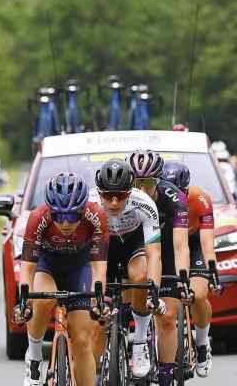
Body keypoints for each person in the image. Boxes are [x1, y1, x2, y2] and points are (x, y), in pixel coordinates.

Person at [18, 172, 108, 386]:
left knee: (83, 340)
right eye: (58, 216)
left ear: (83, 210)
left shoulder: (96, 216)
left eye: (73, 216)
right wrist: (24, 302)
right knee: (42, 299)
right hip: (47, 266)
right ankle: (34, 356)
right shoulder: (38, 217)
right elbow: (27, 269)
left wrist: (98, 300)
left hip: (80, 268)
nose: (66, 223)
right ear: (50, 210)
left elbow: (99, 268)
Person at [96, 158, 164, 379]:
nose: (114, 203)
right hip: (103, 245)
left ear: (130, 191)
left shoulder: (144, 203)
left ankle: (140, 341)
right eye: (107, 196)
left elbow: (154, 253)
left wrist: (153, 288)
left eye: (121, 197)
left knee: (140, 275)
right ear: (99, 193)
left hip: (132, 244)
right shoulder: (88, 204)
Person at [128, 149, 189, 386]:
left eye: (149, 182)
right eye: (137, 182)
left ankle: (166, 374)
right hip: (135, 249)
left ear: (159, 180)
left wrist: (182, 278)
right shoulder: (121, 198)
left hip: (165, 248)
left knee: (167, 317)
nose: (142, 190)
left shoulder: (173, 197)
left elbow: (181, 245)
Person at [161, 161, 218, 378]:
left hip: (194, 244)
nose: (176, 197)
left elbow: (206, 241)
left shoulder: (200, 198)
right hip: (170, 244)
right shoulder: (158, 199)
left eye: (181, 192)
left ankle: (202, 344)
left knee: (198, 294)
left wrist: (211, 266)